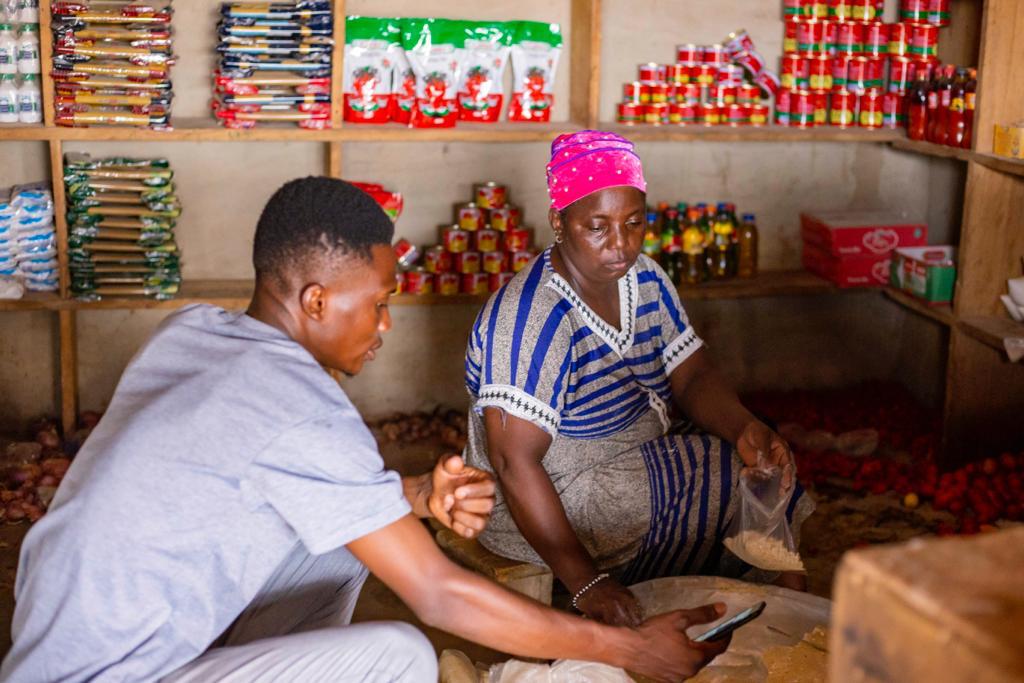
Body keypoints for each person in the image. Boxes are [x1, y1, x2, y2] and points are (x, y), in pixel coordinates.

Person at [2, 177, 733, 683]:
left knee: (349, 546)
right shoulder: (301, 405)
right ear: (316, 300)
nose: (385, 325)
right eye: (378, 302)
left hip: (51, 658)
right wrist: (630, 646)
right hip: (117, 672)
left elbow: (263, 476)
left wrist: (411, 495)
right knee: (402, 656)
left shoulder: (193, 332)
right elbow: (441, 593)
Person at [464, 131, 815, 627]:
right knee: (715, 477)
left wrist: (744, 428)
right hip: (548, 493)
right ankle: (763, 600)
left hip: (628, 456)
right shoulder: (531, 318)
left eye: (633, 224)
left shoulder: (645, 278)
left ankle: (787, 612)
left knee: (754, 464)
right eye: (597, 227)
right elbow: (513, 461)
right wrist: (586, 583)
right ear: (559, 223)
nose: (620, 245)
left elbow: (691, 372)